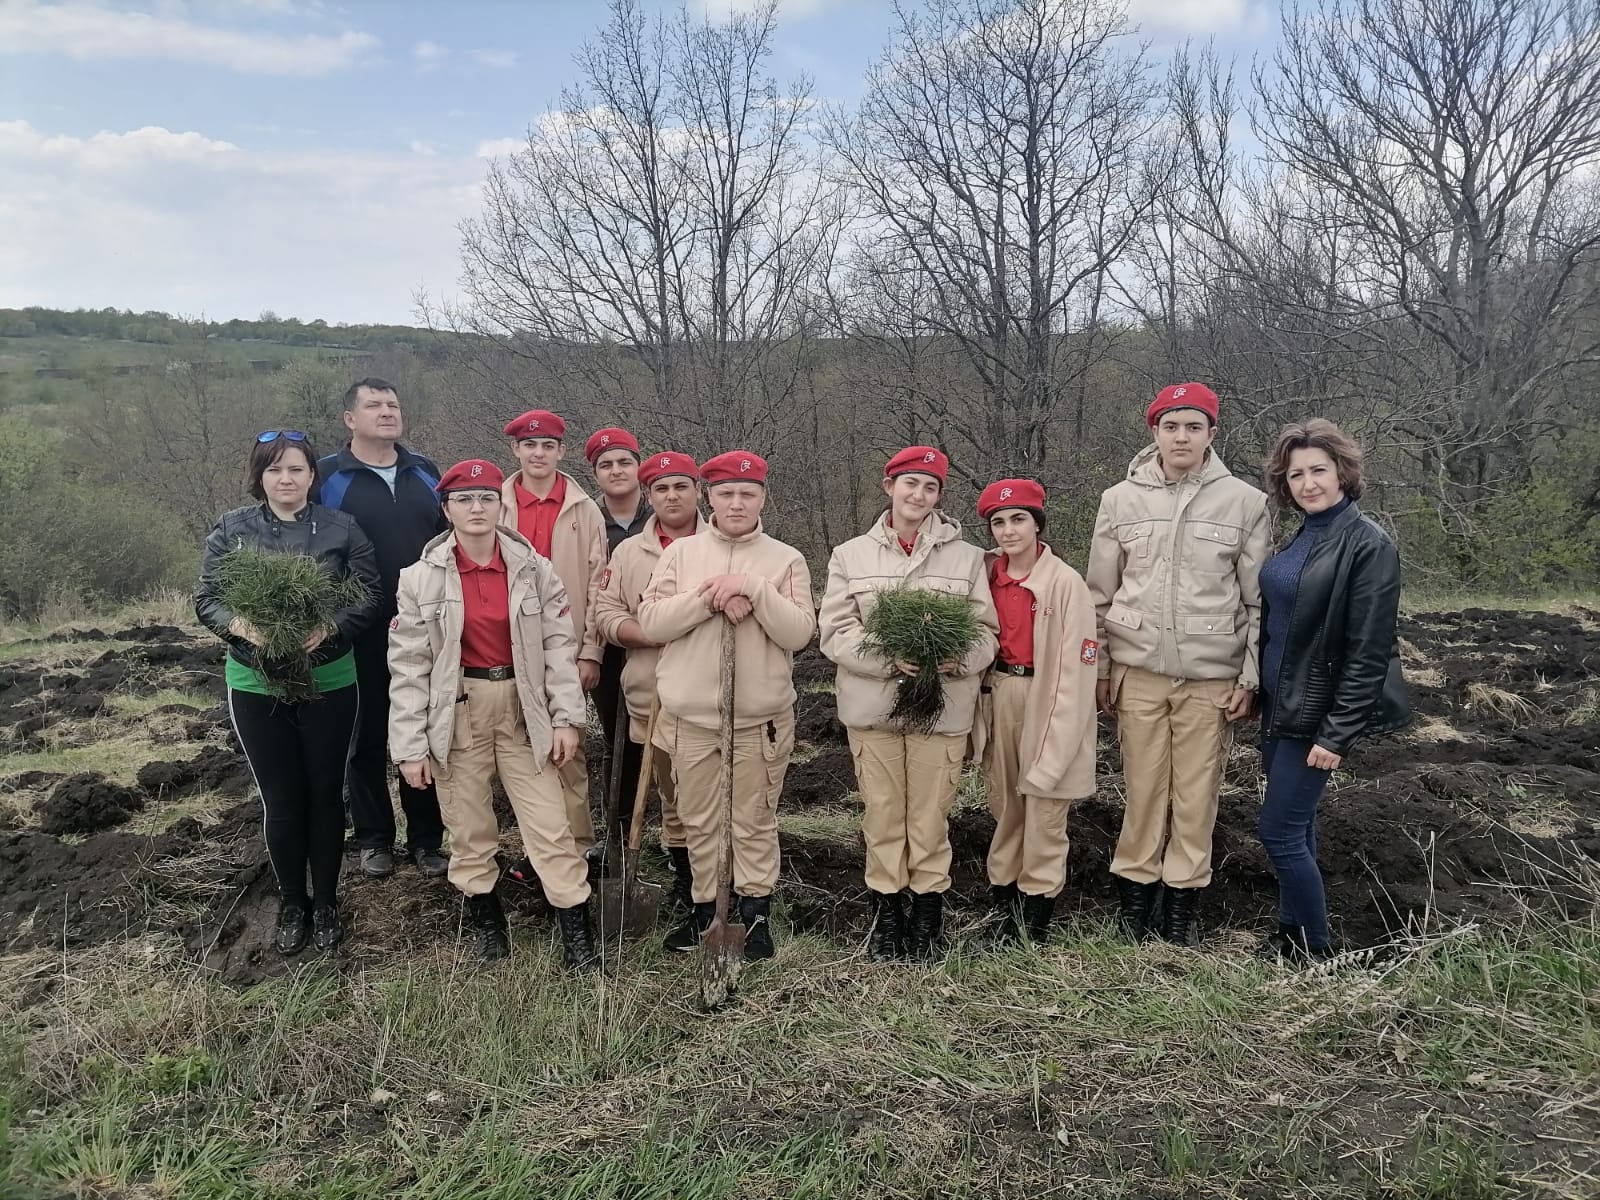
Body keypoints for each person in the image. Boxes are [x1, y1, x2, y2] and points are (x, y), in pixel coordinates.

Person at [387, 460, 598, 970]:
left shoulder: (533, 569)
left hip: (525, 710)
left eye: (485, 498)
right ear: (447, 510)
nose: (476, 508)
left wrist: (567, 718)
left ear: (500, 505)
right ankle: (488, 924)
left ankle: (577, 936)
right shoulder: (420, 579)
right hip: (459, 713)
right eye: (464, 500)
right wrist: (410, 747)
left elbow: (557, 648)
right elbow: (410, 667)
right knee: (469, 827)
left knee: (550, 823)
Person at [1086, 383, 1270, 946]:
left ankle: (1181, 907)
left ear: (1212, 433)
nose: (1181, 436)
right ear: (1155, 433)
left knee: (1195, 795)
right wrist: (1100, 669)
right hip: (1137, 672)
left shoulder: (1245, 502)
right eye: (1171, 427)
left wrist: (1250, 675)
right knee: (1142, 790)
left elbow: (1256, 601)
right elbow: (1099, 593)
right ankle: (1136, 901)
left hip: (1210, 678)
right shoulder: (1120, 500)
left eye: (1193, 426)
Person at [195, 430, 380, 956]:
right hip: (256, 681)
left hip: (329, 680)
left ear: (311, 476)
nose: (286, 479)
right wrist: (241, 626)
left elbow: (369, 596)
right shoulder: (233, 529)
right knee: (282, 798)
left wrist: (329, 629)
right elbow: (206, 599)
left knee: (324, 793)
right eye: (275, 470)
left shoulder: (342, 528)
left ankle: (326, 901)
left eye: (296, 468)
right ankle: (293, 901)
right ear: (260, 477)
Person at [817, 447, 998, 962]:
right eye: (910, 483)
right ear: (889, 486)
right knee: (882, 814)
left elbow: (986, 633)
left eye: (930, 487)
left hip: (943, 713)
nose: (918, 495)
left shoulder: (966, 559)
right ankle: (886, 917)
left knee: (929, 817)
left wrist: (957, 660)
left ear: (939, 496)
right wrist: (888, 659)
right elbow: (835, 632)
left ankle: (926, 919)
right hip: (873, 709)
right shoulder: (850, 555)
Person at [638, 451, 816, 961]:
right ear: (709, 495)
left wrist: (754, 589)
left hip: (759, 720)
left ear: (763, 496)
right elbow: (652, 623)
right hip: (691, 719)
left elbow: (799, 632)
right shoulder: (681, 554)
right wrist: (709, 596)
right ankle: (704, 908)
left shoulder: (785, 559)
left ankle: (756, 912)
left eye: (748, 493)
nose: (737, 503)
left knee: (754, 817)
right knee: (697, 818)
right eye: (726, 493)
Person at [1255, 420, 1409, 963]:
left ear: (1343, 471)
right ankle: (1290, 937)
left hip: (1315, 717)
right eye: (1296, 474)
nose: (1308, 482)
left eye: (1318, 470)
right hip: (1279, 707)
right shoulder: (1306, 532)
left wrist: (1338, 733)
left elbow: (1370, 653)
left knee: (1277, 831)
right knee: (1298, 828)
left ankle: (1316, 952)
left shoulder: (1368, 544)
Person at [315, 377, 449, 881]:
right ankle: (374, 837)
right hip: (361, 628)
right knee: (367, 734)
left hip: (425, 625)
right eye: (373, 405)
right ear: (350, 419)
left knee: (427, 730)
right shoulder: (328, 476)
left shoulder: (425, 471)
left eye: (393, 403)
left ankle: (427, 839)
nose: (387, 411)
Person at [975, 479, 1098, 945]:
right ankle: (1005, 908)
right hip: (1001, 690)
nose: (1008, 530)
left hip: (1045, 695)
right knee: (1006, 804)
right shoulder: (988, 577)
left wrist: (1061, 737)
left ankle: (1036, 916)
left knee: (1044, 806)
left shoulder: (1064, 583)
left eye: (1018, 519)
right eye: (998, 522)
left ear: (1037, 523)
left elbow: (1077, 671)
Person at [591, 451, 705, 911]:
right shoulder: (628, 552)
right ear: (649, 495)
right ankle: (684, 879)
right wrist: (647, 632)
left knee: (712, 794)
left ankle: (721, 879)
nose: (671, 496)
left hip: (709, 695)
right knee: (670, 793)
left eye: (681, 486)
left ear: (698, 491)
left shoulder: (720, 545)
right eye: (661, 489)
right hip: (650, 692)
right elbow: (605, 612)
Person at [498, 410, 607, 861]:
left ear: (561, 451)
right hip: (506, 648)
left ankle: (578, 846)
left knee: (569, 748)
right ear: (515, 450)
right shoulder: (494, 503)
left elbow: (600, 583)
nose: (538, 453)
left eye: (547, 446)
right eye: (529, 445)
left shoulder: (584, 509)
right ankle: (538, 848)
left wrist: (591, 651)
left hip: (565, 649)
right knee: (517, 749)